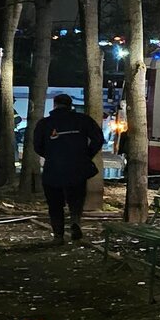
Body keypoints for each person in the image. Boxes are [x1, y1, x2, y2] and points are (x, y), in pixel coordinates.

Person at [32, 93, 105, 242]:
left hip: (53, 170)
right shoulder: (83, 120)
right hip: (77, 168)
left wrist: (51, 155)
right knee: (76, 199)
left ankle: (58, 234)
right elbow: (98, 138)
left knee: (55, 204)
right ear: (71, 105)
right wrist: (86, 155)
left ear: (54, 105)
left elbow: (37, 146)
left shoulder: (45, 124)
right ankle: (75, 222)